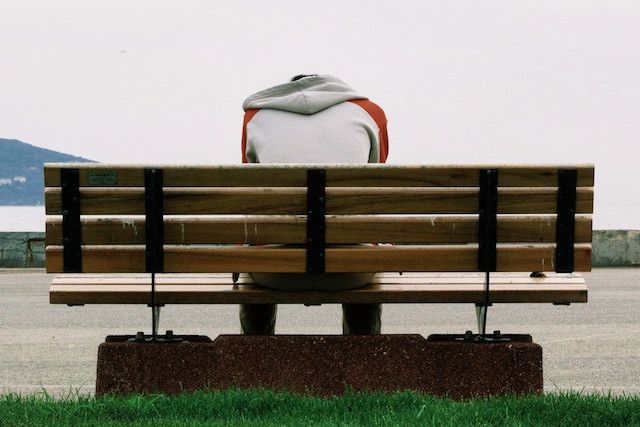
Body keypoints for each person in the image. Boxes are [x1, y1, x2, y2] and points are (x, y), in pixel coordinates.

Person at [239, 74, 389, 335]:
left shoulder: (256, 117)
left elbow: (253, 192)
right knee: (364, 245)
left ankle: (256, 358)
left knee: (256, 248)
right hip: (352, 272)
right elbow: (374, 186)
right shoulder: (370, 113)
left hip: (273, 272)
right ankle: (363, 357)